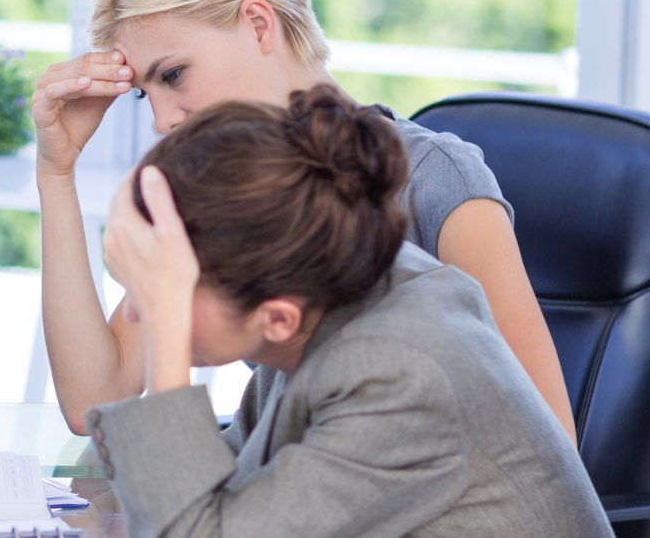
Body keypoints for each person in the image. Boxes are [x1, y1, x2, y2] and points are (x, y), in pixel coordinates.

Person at [32, 0, 576, 439]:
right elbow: (94, 403)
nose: (161, 120)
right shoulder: (230, 191)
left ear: (259, 24)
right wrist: (57, 172)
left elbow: (551, 446)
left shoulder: (436, 181)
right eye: (142, 95)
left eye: (173, 74)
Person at [85, 86, 608, 537]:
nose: (135, 314)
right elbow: (227, 487)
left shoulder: (399, 377)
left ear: (278, 318)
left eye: (159, 295)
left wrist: (167, 330)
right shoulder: (320, 285)